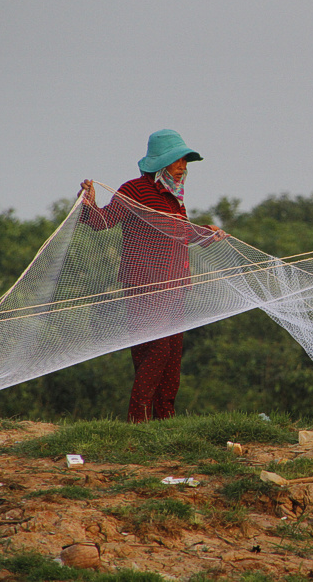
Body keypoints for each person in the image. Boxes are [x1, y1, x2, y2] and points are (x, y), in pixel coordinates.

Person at [77, 129, 226, 423]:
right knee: (154, 351)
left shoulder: (175, 198)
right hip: (145, 287)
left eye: (185, 161)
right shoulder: (134, 190)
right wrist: (89, 202)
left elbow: (178, 233)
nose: (183, 167)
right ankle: (139, 421)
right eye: (177, 161)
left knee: (172, 355)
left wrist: (207, 234)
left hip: (175, 287)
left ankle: (165, 420)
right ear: (160, 163)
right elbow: (102, 221)